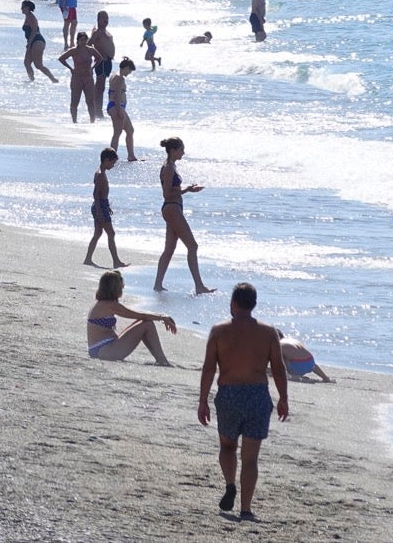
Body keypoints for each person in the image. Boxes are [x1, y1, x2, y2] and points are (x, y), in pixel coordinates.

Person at [197, 283, 289, 521]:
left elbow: (209, 368)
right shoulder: (269, 332)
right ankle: (246, 509)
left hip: (229, 394)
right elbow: (278, 369)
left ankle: (230, 484)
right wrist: (283, 399)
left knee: (227, 447)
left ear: (233, 303)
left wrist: (203, 401)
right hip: (257, 396)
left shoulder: (218, 331)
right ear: (254, 304)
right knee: (250, 458)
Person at [154, 137, 215, 294]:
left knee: (169, 249)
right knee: (192, 246)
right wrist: (186, 189)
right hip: (171, 208)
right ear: (173, 150)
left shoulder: (172, 166)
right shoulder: (168, 168)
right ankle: (199, 286)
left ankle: (158, 284)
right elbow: (166, 193)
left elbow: (172, 190)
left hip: (174, 208)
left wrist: (187, 190)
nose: (183, 152)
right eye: (181, 149)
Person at [87, 270, 174, 363]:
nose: (122, 288)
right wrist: (162, 317)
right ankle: (162, 360)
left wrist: (160, 316)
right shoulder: (109, 305)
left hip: (101, 349)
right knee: (147, 325)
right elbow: (137, 314)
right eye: (121, 286)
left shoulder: (101, 303)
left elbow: (140, 316)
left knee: (144, 322)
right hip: (104, 350)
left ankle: (160, 359)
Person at [84, 149, 125, 268]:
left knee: (97, 233)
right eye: (112, 163)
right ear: (106, 160)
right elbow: (96, 194)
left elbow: (102, 194)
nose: (113, 166)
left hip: (102, 205)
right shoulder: (101, 174)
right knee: (111, 233)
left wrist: (107, 207)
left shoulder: (100, 172)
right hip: (99, 206)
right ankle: (116, 261)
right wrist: (100, 211)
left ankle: (88, 258)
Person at [57, 35, 99, 124]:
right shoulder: (74, 50)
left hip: (88, 78)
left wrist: (92, 68)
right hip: (77, 78)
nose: (83, 42)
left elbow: (100, 58)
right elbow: (61, 59)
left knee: (90, 102)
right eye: (81, 40)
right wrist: (71, 69)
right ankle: (74, 122)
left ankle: (92, 122)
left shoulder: (90, 50)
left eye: (85, 40)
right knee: (75, 101)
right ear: (78, 41)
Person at [20, 0, 58, 83]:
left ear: (28, 8)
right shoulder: (28, 16)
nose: (21, 9)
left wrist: (29, 44)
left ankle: (53, 79)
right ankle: (31, 80)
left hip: (37, 41)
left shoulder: (31, 17)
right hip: (33, 41)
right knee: (27, 63)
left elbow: (34, 31)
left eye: (23, 7)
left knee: (38, 65)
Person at [107, 58, 136, 158]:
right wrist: (119, 110)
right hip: (117, 106)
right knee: (117, 133)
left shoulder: (114, 75)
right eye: (130, 70)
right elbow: (117, 95)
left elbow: (111, 93)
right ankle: (111, 157)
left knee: (130, 130)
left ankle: (131, 155)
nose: (130, 73)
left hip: (115, 106)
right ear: (126, 68)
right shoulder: (120, 78)